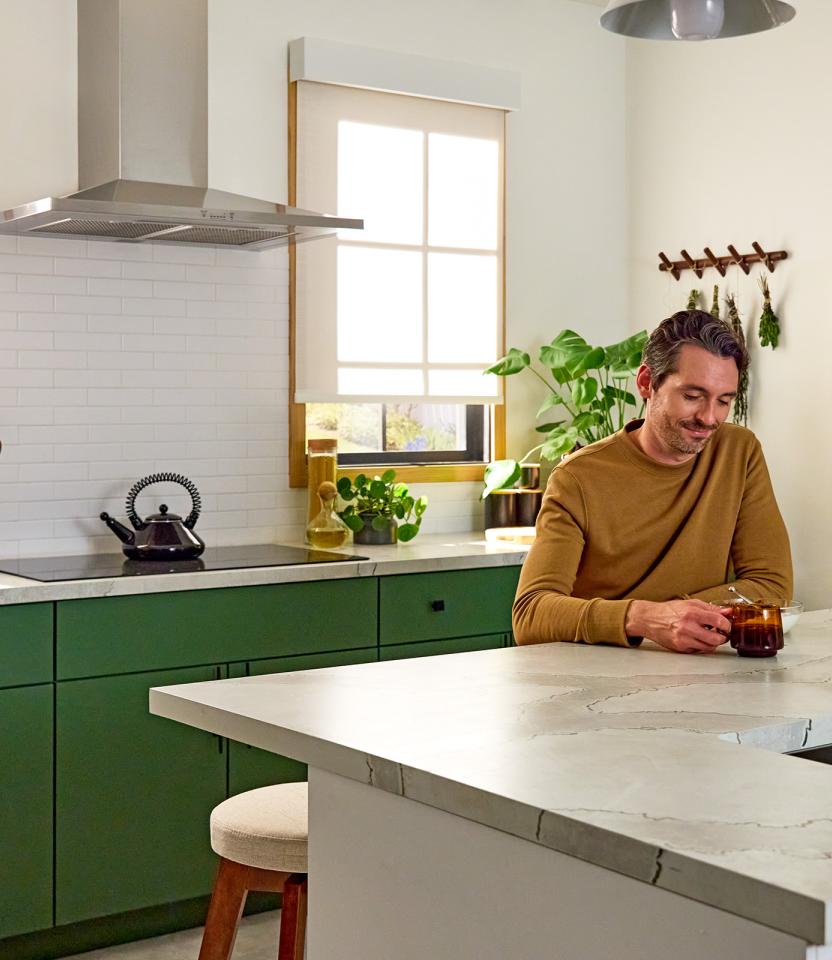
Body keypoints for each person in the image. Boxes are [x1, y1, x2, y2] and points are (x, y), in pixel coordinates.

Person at [512, 310, 793, 655]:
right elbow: (530, 613)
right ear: (647, 383)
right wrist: (645, 618)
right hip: (597, 673)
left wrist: (680, 617)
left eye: (724, 401)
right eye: (692, 396)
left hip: (700, 669)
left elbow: (771, 585)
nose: (709, 418)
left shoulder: (739, 451)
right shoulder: (577, 478)